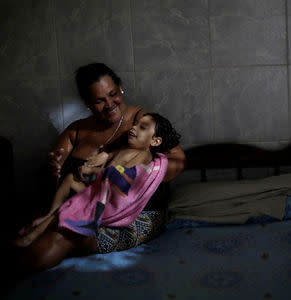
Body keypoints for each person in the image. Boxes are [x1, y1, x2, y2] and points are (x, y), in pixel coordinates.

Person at [10, 62, 186, 279]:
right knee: (33, 226)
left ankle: (11, 276)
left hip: (134, 216)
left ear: (120, 87)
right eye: (99, 100)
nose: (110, 104)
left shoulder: (142, 121)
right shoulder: (75, 132)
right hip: (84, 204)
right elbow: (48, 188)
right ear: (87, 103)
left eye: (113, 94)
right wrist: (51, 172)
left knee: (65, 231)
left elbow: (177, 161)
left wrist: (130, 178)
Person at [13, 112, 180, 247]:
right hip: (100, 190)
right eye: (135, 124)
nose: (134, 128)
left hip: (110, 201)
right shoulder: (124, 149)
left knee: (70, 206)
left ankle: (35, 233)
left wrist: (90, 171)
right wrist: (100, 159)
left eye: (142, 127)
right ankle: (49, 213)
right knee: (70, 178)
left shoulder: (142, 154)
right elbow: (108, 160)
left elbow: (117, 174)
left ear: (155, 141)